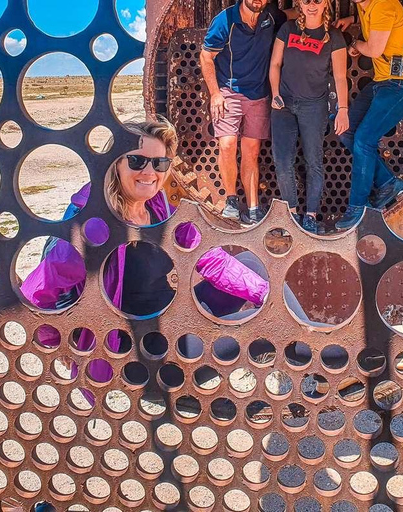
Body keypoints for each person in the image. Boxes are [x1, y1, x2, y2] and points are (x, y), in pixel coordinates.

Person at [21, 118, 271, 381]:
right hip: (135, 355)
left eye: (159, 163)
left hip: (170, 321)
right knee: (267, 335)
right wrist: (59, 345)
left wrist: (266, 296)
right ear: (115, 164)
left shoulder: (158, 207)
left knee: (251, 267)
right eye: (137, 161)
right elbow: (36, 292)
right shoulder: (94, 225)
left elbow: (210, 258)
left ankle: (311, 346)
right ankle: (313, 357)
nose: (150, 173)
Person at [333, 0, 403, 230]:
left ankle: (357, 207)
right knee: (347, 131)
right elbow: (374, 21)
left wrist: (355, 43)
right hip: (382, 82)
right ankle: (387, 182)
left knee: (364, 140)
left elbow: (374, 50)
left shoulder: (384, 4)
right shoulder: (366, 7)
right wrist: (352, 20)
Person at [200, 0, 297, 225]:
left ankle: (253, 208)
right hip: (228, 91)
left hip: (258, 94)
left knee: (251, 151)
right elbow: (206, 57)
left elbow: (294, 13)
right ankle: (231, 200)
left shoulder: (270, 15)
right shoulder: (225, 21)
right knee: (226, 145)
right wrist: (215, 93)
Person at [269, 0, 349, 234]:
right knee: (283, 160)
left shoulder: (333, 37)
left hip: (313, 106)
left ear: (325, 4)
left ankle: (311, 216)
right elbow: (275, 64)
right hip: (283, 102)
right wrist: (275, 94)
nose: (311, 5)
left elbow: (340, 77)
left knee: (314, 162)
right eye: (306, 1)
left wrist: (343, 109)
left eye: (317, 1)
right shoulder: (288, 29)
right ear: (299, 5)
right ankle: (291, 214)